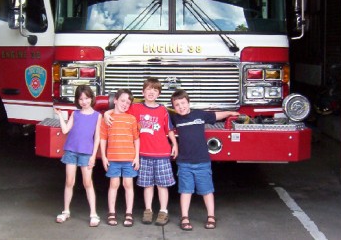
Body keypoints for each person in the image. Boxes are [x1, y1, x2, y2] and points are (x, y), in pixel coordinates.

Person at [105, 77, 178, 226]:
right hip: (143, 154)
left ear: (159, 94)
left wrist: (175, 144)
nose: (151, 92)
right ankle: (148, 210)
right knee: (148, 185)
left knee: (162, 185)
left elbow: (168, 129)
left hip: (162, 153)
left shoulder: (163, 110)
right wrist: (107, 113)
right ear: (143, 92)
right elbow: (120, 108)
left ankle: (163, 211)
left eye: (155, 90)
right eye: (149, 89)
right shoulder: (136, 108)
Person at [170, 89, 239, 231]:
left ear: (189, 103)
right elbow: (163, 122)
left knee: (207, 190)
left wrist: (230, 113)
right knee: (185, 190)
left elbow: (216, 115)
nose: (181, 107)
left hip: (202, 162)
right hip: (184, 163)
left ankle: (211, 216)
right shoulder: (175, 118)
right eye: (177, 105)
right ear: (174, 107)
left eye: (183, 103)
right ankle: (184, 217)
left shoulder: (199, 114)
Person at [54, 85, 102, 227]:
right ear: (77, 100)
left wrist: (93, 156)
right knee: (69, 181)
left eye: (86, 98)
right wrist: (60, 116)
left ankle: (93, 214)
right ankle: (66, 211)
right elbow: (65, 130)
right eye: (80, 99)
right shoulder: (75, 114)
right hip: (71, 151)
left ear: (91, 98)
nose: (84, 101)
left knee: (88, 183)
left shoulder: (97, 116)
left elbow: (98, 137)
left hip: (87, 153)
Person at [100, 89, 140, 227]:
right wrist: (104, 157)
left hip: (129, 158)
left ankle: (129, 213)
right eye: (122, 100)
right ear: (115, 100)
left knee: (128, 185)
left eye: (128, 103)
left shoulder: (131, 119)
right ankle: (112, 212)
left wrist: (137, 157)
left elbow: (136, 139)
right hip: (113, 158)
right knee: (114, 185)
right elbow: (103, 138)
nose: (125, 104)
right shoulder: (108, 118)